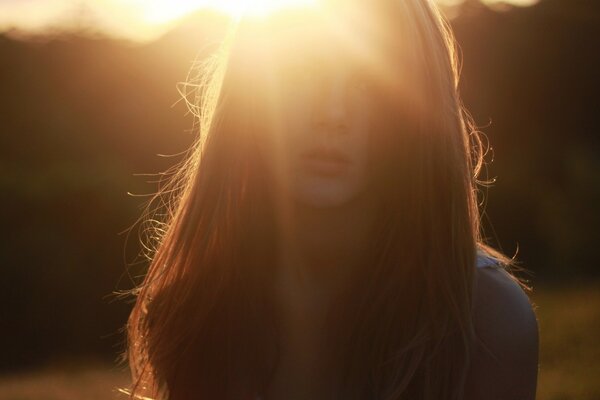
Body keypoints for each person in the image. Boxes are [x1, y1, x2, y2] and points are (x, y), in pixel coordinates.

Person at [125, 1, 539, 399]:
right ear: (251, 94)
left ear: (415, 107)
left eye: (366, 82)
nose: (333, 111)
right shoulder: (197, 309)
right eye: (305, 71)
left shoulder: (487, 321)